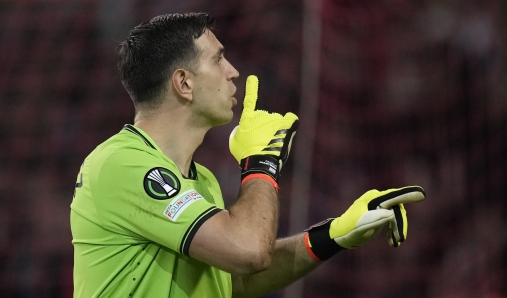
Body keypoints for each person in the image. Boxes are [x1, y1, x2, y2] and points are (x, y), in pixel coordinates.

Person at [70, 12, 426, 298]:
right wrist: (261, 163)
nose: (233, 72)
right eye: (218, 59)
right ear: (184, 83)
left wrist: (334, 235)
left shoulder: (201, 180)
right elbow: (249, 252)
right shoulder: (121, 163)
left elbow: (235, 280)